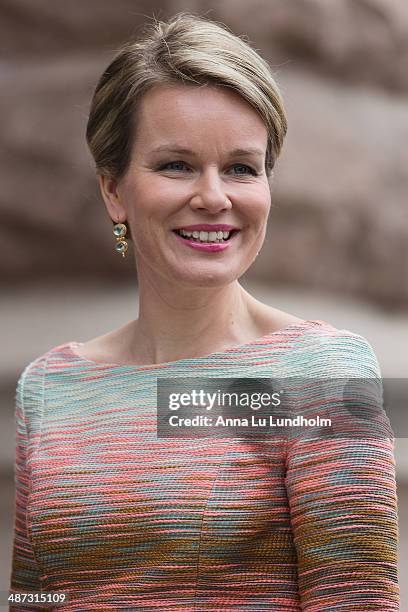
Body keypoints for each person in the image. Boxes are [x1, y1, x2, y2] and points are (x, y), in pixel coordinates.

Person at [9, 12, 399, 611]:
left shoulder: (316, 374)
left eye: (242, 168)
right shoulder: (49, 386)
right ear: (113, 189)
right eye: (177, 165)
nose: (214, 197)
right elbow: (37, 598)